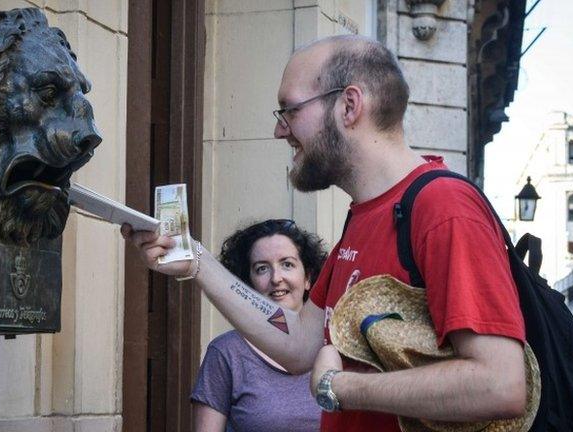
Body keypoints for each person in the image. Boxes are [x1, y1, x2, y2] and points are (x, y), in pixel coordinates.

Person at [123, 34, 527, 432]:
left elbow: (500, 384)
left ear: (348, 106)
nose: (280, 131)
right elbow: (300, 342)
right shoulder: (365, 215)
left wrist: (341, 387)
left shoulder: (445, 207)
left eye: (289, 110)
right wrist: (197, 261)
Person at [191, 219, 327, 431]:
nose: (276, 278)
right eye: (262, 269)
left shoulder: (334, 345)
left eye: (287, 264)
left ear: (308, 277)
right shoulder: (226, 353)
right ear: (247, 283)